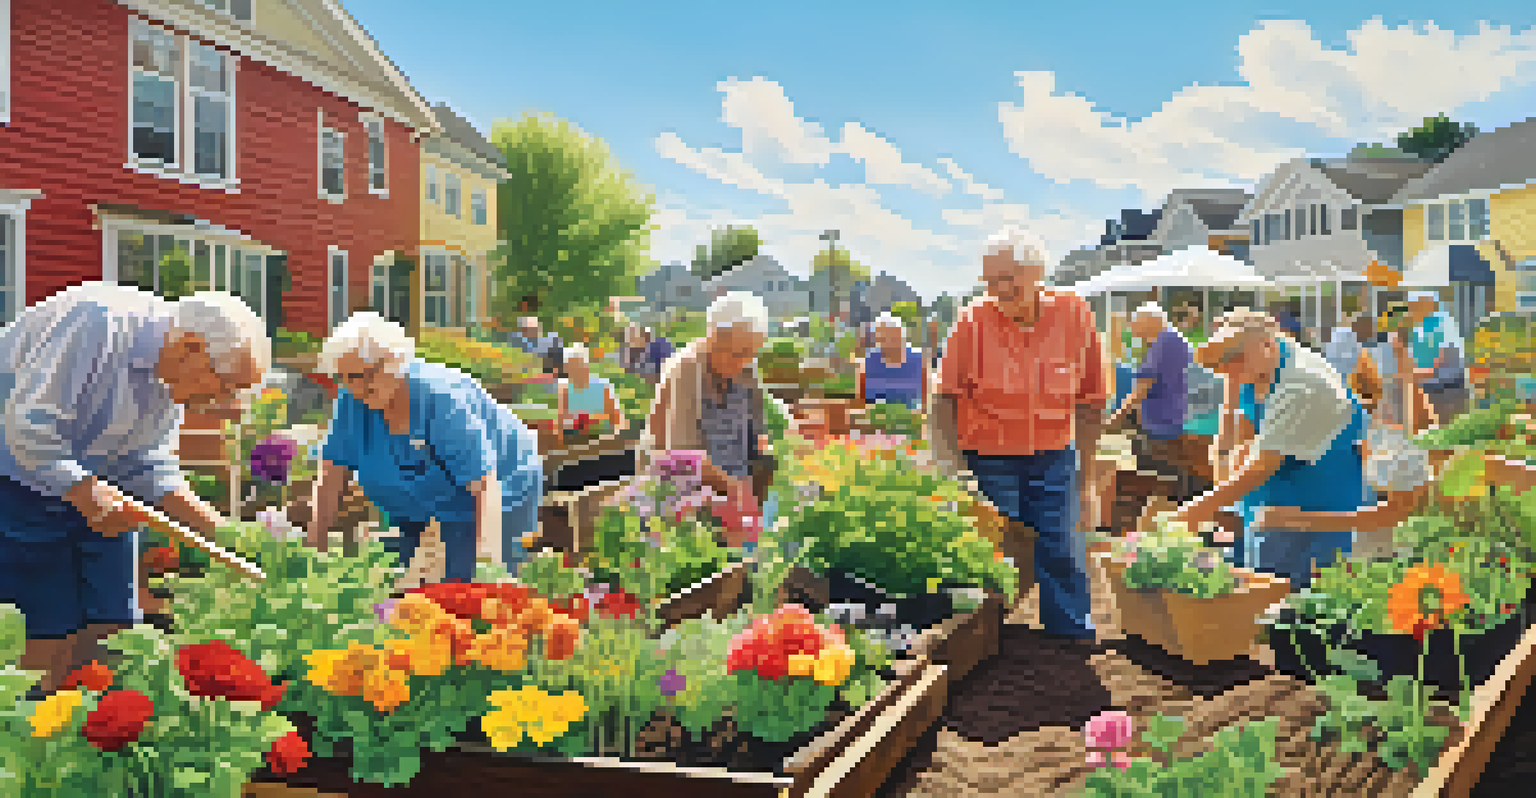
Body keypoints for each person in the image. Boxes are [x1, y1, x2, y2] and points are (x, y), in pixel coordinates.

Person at [0, 284, 268, 693]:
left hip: (101, 486)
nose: (223, 399)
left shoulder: (172, 375)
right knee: (46, 626)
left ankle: (97, 725)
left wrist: (222, 533)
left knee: (118, 625)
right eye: (226, 384)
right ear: (191, 348)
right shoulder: (95, 324)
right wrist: (87, 493)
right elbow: (30, 427)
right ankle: (30, 732)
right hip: (18, 478)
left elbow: (148, 464)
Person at [930, 228, 1105, 645]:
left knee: (1061, 541)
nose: (1001, 290)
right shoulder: (972, 320)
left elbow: (1091, 400)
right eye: (991, 281)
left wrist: (1088, 476)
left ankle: (1069, 632)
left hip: (1054, 453)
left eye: (1010, 278)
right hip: (988, 456)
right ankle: (985, 635)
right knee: (993, 547)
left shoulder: (1074, 314)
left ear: (1038, 272)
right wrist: (953, 470)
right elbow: (942, 400)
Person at [309, 313, 543, 583]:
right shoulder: (352, 400)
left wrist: (485, 568)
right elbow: (332, 475)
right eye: (347, 377)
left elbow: (484, 486)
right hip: (421, 499)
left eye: (366, 374)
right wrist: (315, 549)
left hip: (502, 483)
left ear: (396, 361)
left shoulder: (440, 400)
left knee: (470, 585)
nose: (357, 386)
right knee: (407, 585)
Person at [1172, 309, 1371, 589]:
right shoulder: (1259, 360)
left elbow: (1264, 466)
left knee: (1298, 601)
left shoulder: (1299, 385)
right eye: (1224, 365)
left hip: (1314, 499)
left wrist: (1198, 509)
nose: (1230, 371)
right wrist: (1228, 502)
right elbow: (1237, 430)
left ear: (1266, 345)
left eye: (1236, 361)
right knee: (1257, 593)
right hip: (1270, 503)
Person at [643, 292, 773, 546]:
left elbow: (756, 431)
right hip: (681, 498)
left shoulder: (746, 368)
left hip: (730, 493)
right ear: (712, 338)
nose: (745, 362)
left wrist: (762, 460)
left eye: (752, 353)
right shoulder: (686, 370)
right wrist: (735, 489)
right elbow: (683, 455)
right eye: (739, 353)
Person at [1107, 303, 1208, 503]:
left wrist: (1116, 417)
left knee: (1160, 474)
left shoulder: (1163, 344)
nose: (1132, 329)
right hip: (1172, 416)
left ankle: (1166, 509)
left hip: (1165, 420)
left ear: (1149, 323)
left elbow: (1141, 388)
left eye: (1135, 324)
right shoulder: (1168, 340)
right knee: (1171, 470)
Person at [1404, 291, 1469, 422]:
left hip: (1450, 385)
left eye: (1416, 305)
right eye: (1411, 306)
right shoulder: (1418, 328)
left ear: (1430, 304)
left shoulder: (1443, 321)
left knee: (1453, 424)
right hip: (1430, 385)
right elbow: (1414, 356)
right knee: (1437, 425)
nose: (1412, 309)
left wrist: (1426, 372)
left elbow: (1447, 351)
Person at [857, 312, 928, 411]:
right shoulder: (868, 362)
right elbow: (861, 401)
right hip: (877, 419)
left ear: (901, 336)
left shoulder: (918, 360)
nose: (887, 343)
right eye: (882, 338)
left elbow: (927, 400)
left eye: (892, 337)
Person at [558, 343, 627, 440]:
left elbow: (617, 419)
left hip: (604, 439)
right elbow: (561, 424)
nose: (575, 371)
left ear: (586, 366)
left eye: (578, 366)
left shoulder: (602, 387)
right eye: (571, 367)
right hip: (576, 440)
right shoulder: (565, 390)